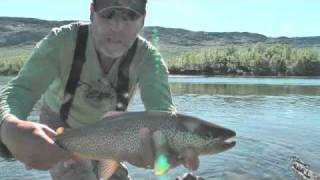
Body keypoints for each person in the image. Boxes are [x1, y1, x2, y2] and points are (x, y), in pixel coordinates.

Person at [0, 0, 199, 179]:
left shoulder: (148, 59)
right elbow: (21, 90)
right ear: (92, 12)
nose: (118, 26)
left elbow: (163, 116)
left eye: (131, 14)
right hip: (60, 126)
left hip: (114, 132)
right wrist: (9, 127)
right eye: (108, 11)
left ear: (143, 20)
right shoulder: (62, 41)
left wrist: (166, 148)